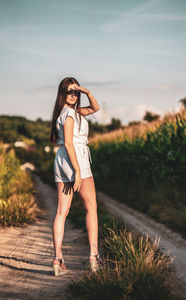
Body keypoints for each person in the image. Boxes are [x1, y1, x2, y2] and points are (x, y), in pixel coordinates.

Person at [49, 77, 101, 276]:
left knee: (62, 211)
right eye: (70, 91)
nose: (73, 94)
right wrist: (78, 171)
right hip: (75, 158)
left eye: (75, 92)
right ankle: (94, 256)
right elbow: (70, 143)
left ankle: (57, 258)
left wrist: (86, 91)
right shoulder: (70, 114)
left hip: (62, 161)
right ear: (62, 93)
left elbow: (95, 108)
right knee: (91, 208)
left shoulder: (69, 113)